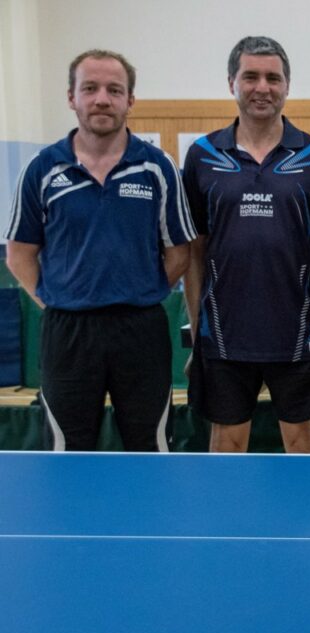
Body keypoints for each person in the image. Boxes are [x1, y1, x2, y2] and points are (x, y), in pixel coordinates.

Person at [5, 49, 195, 451]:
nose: (102, 99)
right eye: (89, 88)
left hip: (140, 329)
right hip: (67, 332)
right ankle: (70, 518)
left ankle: (148, 516)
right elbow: (19, 253)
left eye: (114, 89)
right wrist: (56, 299)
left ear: (130, 100)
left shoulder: (157, 168)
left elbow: (180, 253)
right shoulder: (41, 169)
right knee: (68, 451)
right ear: (71, 97)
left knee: (149, 447)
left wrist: (143, 292)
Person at [183, 36, 310, 453]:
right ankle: (229, 521)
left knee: (303, 442)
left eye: (273, 78)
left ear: (287, 86)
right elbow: (194, 253)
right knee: (227, 446)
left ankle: (306, 520)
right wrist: (200, 333)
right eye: (250, 76)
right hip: (224, 335)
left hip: (297, 335)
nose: (262, 87)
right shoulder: (202, 156)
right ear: (231, 83)